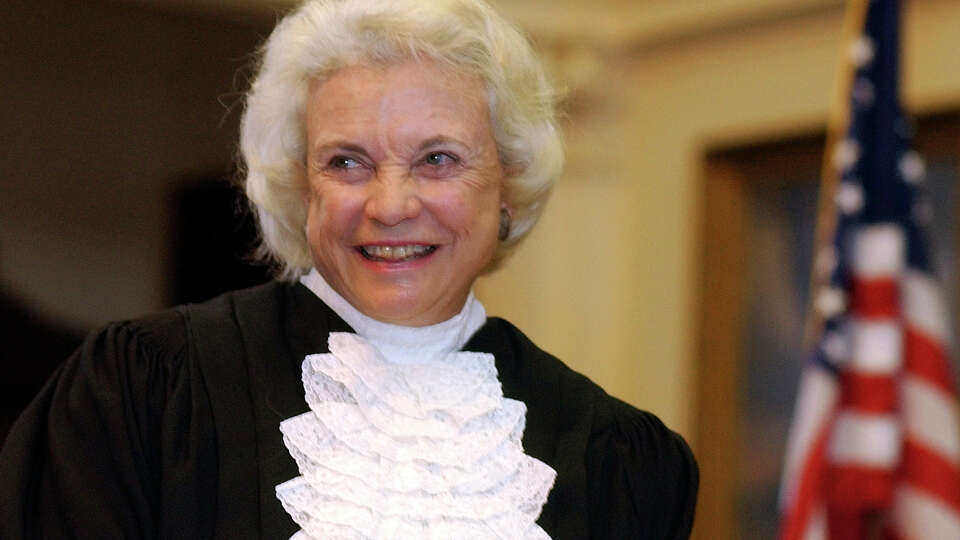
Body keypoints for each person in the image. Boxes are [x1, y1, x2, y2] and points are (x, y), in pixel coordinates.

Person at [0, 0, 698, 538]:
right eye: (346, 162)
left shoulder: (619, 461)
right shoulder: (143, 395)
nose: (391, 205)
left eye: (438, 159)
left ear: (509, 184)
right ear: (301, 187)